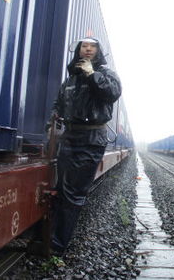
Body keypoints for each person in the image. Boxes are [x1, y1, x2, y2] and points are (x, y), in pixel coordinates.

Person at [47, 37, 122, 256]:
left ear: (98, 52)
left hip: (91, 139)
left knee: (73, 193)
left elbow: (112, 93)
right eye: (83, 46)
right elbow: (59, 103)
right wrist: (52, 118)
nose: (87, 49)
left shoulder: (106, 75)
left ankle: (57, 247)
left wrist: (92, 74)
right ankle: (53, 237)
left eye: (92, 46)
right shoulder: (71, 79)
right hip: (69, 137)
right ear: (79, 50)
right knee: (61, 190)